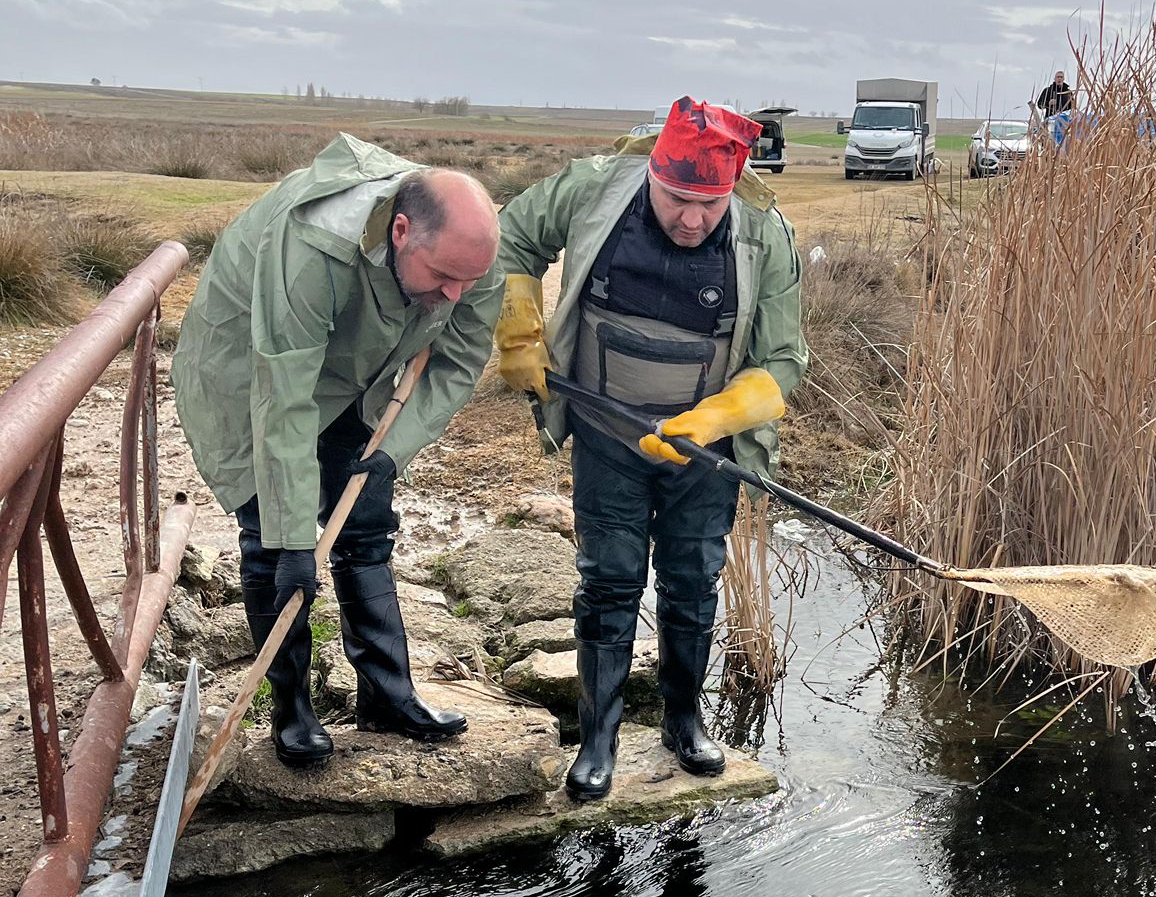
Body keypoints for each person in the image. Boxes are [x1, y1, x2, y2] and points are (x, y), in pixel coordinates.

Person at [495, 97, 808, 803]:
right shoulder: (594, 188)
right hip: (609, 437)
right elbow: (513, 236)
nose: (693, 220)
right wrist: (517, 329)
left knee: (692, 583)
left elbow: (785, 360)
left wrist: (716, 416)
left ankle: (683, 721)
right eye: (676, 201)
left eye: (709, 205)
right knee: (607, 580)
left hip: (702, 455)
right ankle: (598, 736)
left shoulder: (764, 233)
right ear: (651, 179)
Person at [172, 133, 503, 767]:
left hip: (361, 365)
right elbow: (285, 398)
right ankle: (291, 708)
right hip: (252, 368)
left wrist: (392, 451)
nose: (458, 294)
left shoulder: (470, 256)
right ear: (400, 231)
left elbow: (459, 360)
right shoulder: (314, 247)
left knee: (366, 523)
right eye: (443, 278)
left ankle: (388, 695)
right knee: (273, 539)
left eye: (470, 279)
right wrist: (296, 538)